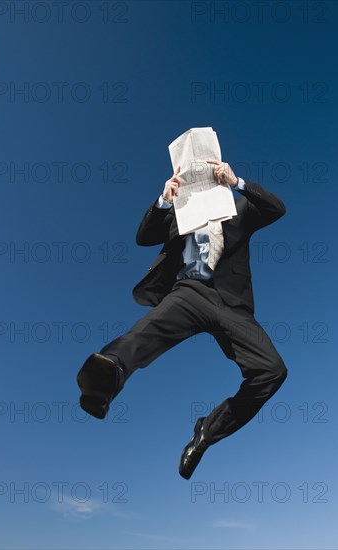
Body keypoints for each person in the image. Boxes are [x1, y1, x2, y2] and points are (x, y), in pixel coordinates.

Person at [77, 159, 288, 479]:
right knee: (147, 331)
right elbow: (144, 236)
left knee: (272, 371)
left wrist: (238, 183)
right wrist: (164, 200)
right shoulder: (180, 213)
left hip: (232, 305)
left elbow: (276, 208)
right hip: (190, 292)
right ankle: (108, 376)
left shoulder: (239, 211)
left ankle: (207, 431)